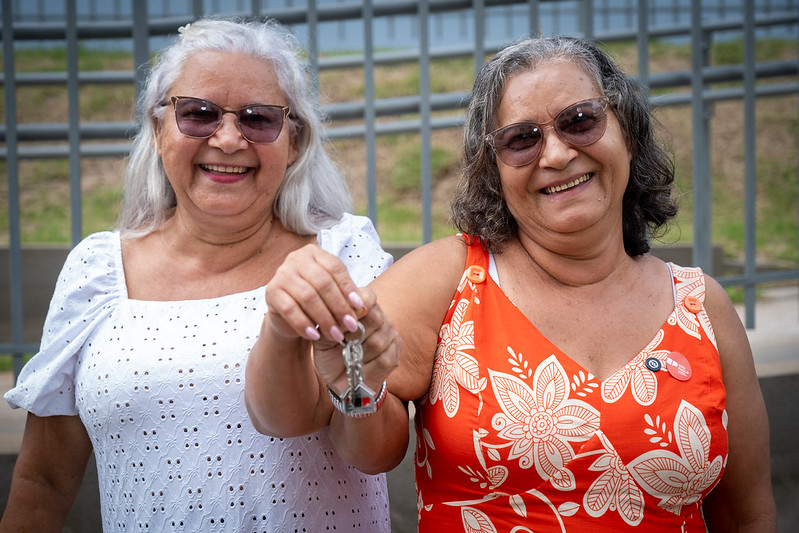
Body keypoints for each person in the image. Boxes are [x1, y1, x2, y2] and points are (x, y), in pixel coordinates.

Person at [245, 35, 777, 531]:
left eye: (579, 120)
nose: (556, 154)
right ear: (492, 169)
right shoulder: (451, 279)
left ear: (628, 133)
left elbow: (748, 516)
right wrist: (353, 385)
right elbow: (358, 440)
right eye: (521, 139)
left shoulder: (701, 304)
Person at [1, 17, 396, 532]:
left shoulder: (341, 254)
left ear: (294, 142)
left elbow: (380, 450)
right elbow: (44, 482)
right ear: (158, 128)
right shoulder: (96, 271)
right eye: (198, 114)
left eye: (259, 119)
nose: (228, 139)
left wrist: (358, 390)